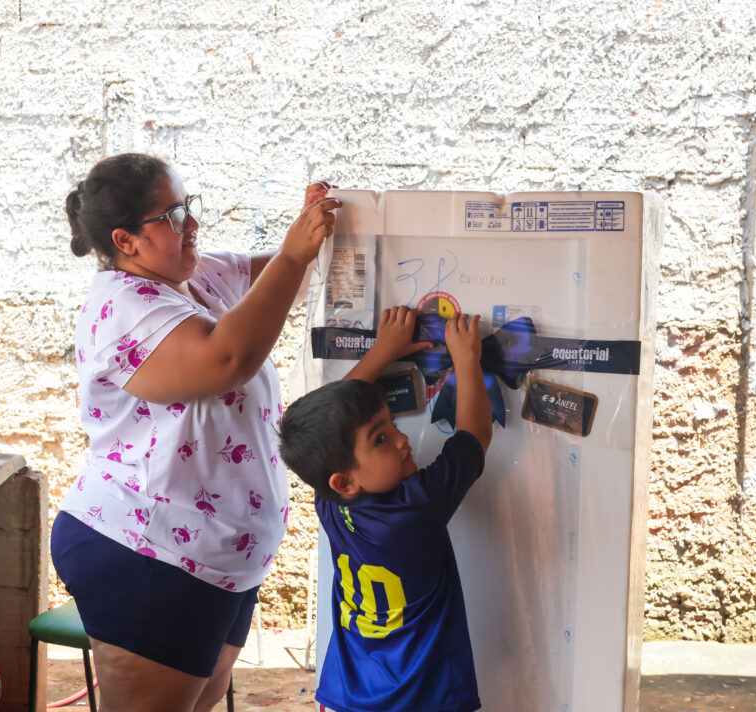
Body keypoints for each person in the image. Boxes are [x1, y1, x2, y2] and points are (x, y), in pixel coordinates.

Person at [51, 152, 341, 712]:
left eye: (189, 207)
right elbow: (228, 356)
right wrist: (294, 251)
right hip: (148, 554)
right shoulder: (123, 305)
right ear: (126, 240)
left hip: (216, 556)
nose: (193, 224)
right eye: (174, 214)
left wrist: (315, 232)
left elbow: (294, 276)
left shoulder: (198, 276)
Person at [279, 306, 493, 712]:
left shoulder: (330, 499)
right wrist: (467, 359)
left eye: (391, 423)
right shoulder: (415, 508)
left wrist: (383, 349)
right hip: (423, 699)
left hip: (347, 694)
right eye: (380, 439)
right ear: (345, 480)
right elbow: (474, 436)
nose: (400, 439)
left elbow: (332, 425)